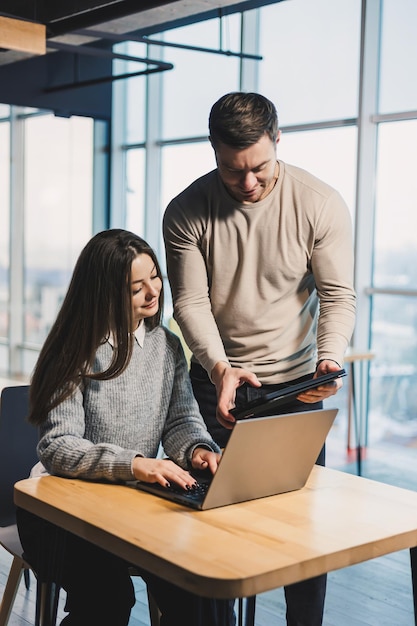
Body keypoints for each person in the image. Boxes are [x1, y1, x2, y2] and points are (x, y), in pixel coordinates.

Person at [163, 92, 356, 626]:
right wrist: (221, 367)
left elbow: (338, 296)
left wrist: (328, 359)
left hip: (294, 388)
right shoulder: (185, 211)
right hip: (216, 386)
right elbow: (190, 303)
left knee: (299, 534)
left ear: (278, 140)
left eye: (259, 168)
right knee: (210, 531)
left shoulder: (319, 202)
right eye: (231, 170)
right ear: (213, 151)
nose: (247, 183)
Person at [16, 228, 236, 626]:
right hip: (57, 511)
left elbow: (182, 420)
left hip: (130, 503)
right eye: (137, 287)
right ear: (104, 291)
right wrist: (137, 464)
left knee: (199, 585)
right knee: (108, 601)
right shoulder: (75, 349)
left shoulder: (166, 346)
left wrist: (198, 450)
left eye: (155, 276)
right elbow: (58, 446)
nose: (153, 292)